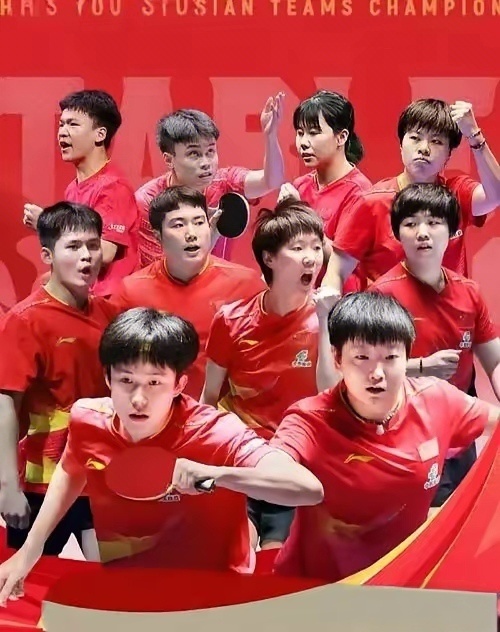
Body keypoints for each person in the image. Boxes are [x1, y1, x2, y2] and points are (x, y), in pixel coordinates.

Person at [0, 308, 324, 603]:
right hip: (130, 585)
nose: (138, 398)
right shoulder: (88, 419)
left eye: (154, 382)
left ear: (179, 384)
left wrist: (217, 474)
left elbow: (307, 489)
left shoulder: (216, 430)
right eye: (126, 380)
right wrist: (30, 551)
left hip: (213, 594)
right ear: (108, 378)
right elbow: (71, 471)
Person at [269, 292, 498, 582]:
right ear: (337, 358)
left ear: (407, 357)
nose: (377, 373)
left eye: (390, 357)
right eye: (362, 357)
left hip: (400, 579)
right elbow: (271, 464)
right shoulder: (309, 419)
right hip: (320, 586)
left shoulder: (436, 399)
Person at [201, 199, 340, 551]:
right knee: (236, 555)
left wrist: (326, 322)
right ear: (269, 258)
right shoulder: (231, 320)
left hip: (298, 464)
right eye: (298, 248)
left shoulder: (331, 319)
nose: (311, 258)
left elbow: (333, 396)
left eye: (316, 247)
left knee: (277, 561)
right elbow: (209, 397)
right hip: (241, 458)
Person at [0, 202, 118, 558]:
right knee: (23, 581)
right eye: (74, 246)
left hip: (97, 478)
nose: (86, 257)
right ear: (47, 255)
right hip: (42, 482)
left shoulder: (110, 314)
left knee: (110, 580)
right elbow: (5, 404)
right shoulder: (25, 320)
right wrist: (7, 486)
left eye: (93, 245)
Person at [370, 183, 500, 506]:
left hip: (461, 428)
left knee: (465, 516)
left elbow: (495, 362)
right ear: (397, 234)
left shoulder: (469, 292)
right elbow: (366, 372)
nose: (422, 233)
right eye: (411, 224)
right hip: (406, 432)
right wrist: (421, 368)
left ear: (452, 231)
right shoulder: (381, 295)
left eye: (433, 222)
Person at [326, 99, 500, 291]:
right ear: (401, 145)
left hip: (448, 308)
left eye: (436, 141)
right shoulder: (372, 202)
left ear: (448, 154)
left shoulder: (457, 194)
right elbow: (337, 270)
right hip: (389, 309)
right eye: (415, 138)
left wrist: (475, 136)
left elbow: (496, 195)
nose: (424, 148)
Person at [111, 186, 266, 399]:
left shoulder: (247, 285)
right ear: (158, 236)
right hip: (155, 410)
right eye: (178, 225)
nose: (191, 234)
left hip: (222, 413)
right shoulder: (131, 292)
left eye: (199, 222)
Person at [135, 94, 285, 267]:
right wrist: (210, 236)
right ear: (169, 160)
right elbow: (164, 271)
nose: (206, 163)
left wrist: (270, 136)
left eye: (210, 152)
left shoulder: (224, 182)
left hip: (220, 281)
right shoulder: (147, 201)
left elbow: (271, 181)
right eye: (194, 154)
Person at [23, 90, 140, 297]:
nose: (62, 132)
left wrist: (48, 224)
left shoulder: (113, 187)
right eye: (61, 124)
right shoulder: (73, 188)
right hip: (85, 296)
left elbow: (105, 252)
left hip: (110, 303)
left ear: (100, 134)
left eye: (73, 124)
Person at [278, 91, 372, 291]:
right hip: (301, 296)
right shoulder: (300, 185)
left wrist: (302, 215)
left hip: (342, 300)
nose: (303, 142)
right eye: (300, 133)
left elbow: (341, 263)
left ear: (341, 137)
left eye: (313, 133)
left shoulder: (360, 192)